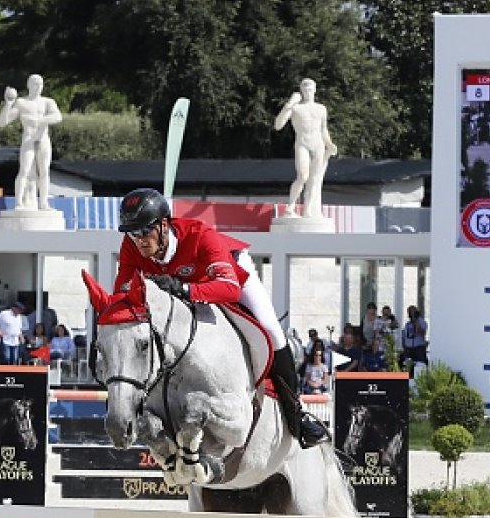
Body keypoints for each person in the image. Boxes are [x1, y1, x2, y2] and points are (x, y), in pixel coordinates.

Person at [112, 187, 328, 448]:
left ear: (164, 224)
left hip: (231, 273)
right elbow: (123, 294)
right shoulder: (131, 247)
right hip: (187, 286)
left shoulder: (201, 236)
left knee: (271, 330)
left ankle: (297, 412)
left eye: (145, 231)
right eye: (133, 233)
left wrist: (184, 289)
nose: (139, 239)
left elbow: (229, 287)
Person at [273, 78, 337, 219]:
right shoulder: (296, 108)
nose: (307, 92)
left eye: (310, 89)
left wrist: (329, 143)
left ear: (315, 90)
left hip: (318, 144)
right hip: (302, 143)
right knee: (302, 176)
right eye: (304, 89)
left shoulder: (321, 108)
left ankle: (307, 211)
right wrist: (289, 105)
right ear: (301, 91)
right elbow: (278, 125)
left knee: (314, 180)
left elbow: (323, 129)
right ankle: (290, 207)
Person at [0, 74, 62, 211]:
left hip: (43, 138)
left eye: (40, 84)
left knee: (44, 172)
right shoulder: (22, 102)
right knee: (24, 170)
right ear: (28, 85)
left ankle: (44, 202)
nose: (38, 87)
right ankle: (19, 202)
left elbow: (58, 117)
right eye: (35, 83)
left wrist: (40, 120)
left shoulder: (48, 102)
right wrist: (8, 105)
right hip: (28, 139)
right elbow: (3, 122)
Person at [0, 300, 27, 365]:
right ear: (14, 308)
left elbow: (18, 328)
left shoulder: (19, 317)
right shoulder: (4, 314)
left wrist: (21, 336)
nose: (20, 312)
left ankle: (13, 372)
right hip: (5, 339)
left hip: (15, 340)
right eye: (19, 310)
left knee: (15, 358)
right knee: (6, 357)